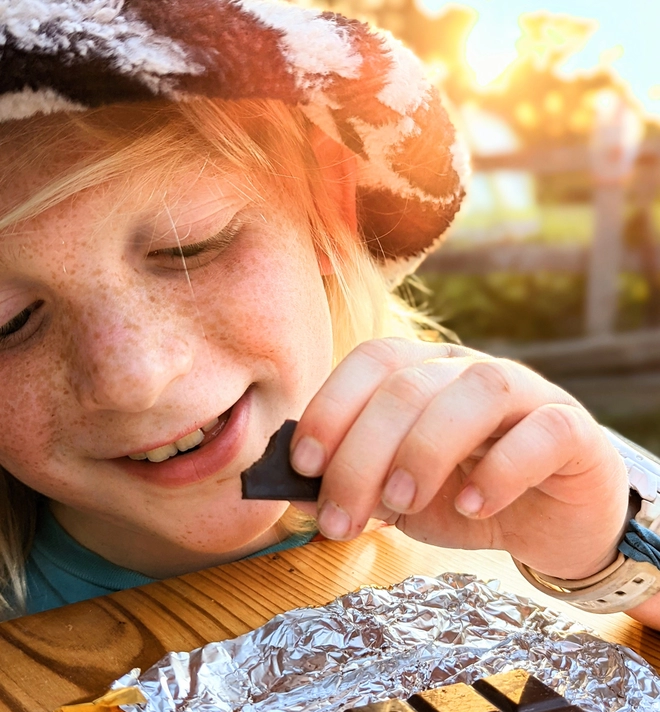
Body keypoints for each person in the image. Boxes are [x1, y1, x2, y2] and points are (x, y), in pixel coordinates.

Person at [0, 0, 659, 627]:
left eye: (191, 245)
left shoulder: (514, 466)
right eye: (8, 323)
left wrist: (606, 557)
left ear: (324, 208)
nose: (134, 378)